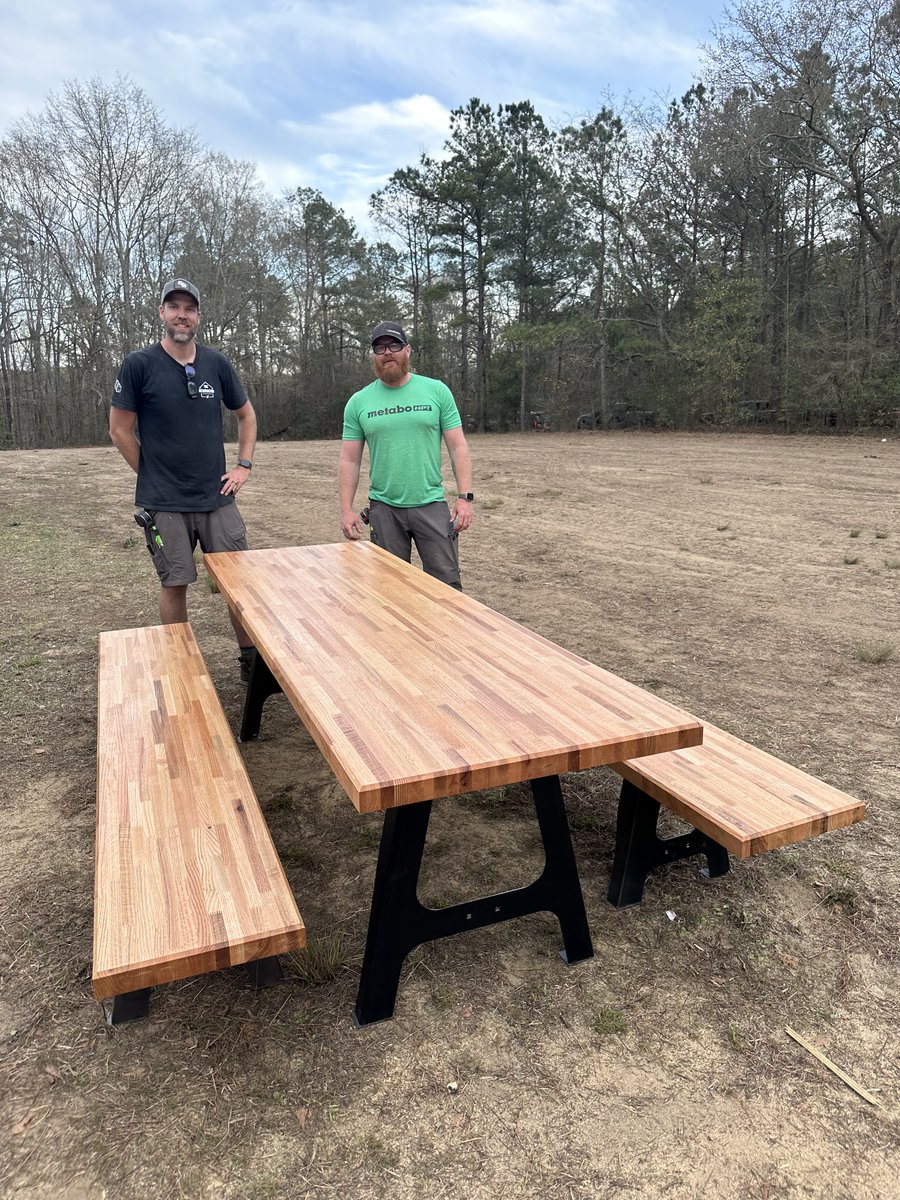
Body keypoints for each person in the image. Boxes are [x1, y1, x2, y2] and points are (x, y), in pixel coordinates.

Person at [109, 277, 258, 681]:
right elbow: (120, 429)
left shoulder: (216, 363)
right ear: (162, 313)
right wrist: (151, 472)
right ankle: (180, 664)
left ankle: (250, 662)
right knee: (175, 583)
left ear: (198, 317)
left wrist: (243, 465)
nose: (181, 315)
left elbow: (246, 415)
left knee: (237, 583)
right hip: (165, 503)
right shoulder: (139, 364)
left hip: (217, 498)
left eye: (189, 308)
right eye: (173, 306)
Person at [339, 321, 474, 589]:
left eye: (394, 345)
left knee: (446, 587)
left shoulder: (436, 391)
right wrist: (346, 510)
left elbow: (458, 446)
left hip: (431, 504)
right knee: (391, 590)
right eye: (380, 348)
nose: (387, 352)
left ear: (408, 350)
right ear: (373, 356)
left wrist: (465, 498)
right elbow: (349, 460)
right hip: (384, 509)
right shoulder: (359, 402)